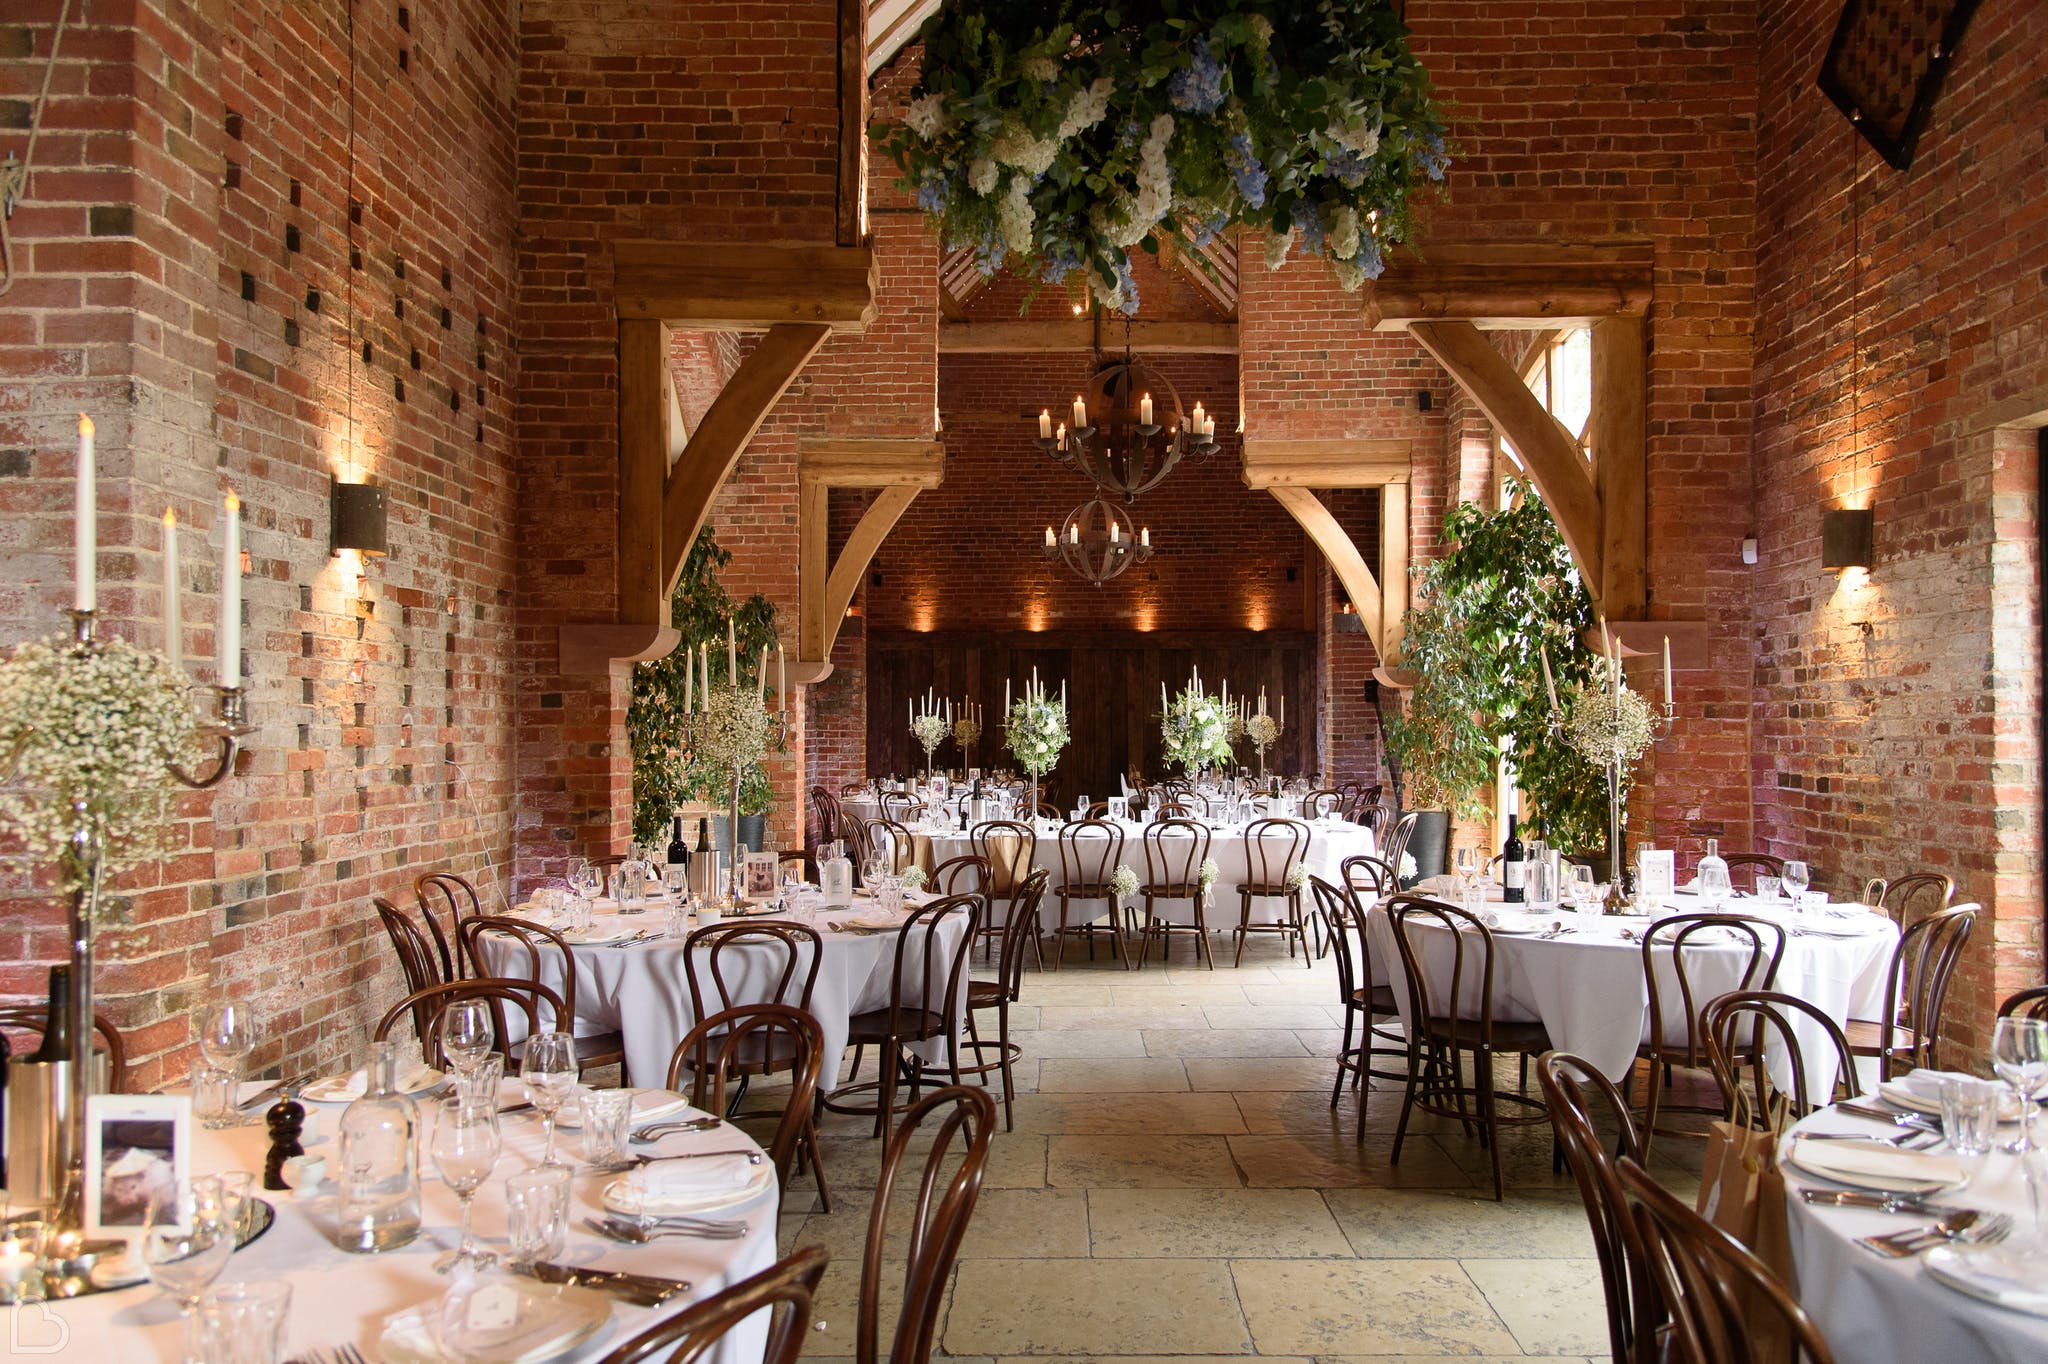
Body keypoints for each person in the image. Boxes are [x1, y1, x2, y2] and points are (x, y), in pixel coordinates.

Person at [100, 1142, 176, 1227]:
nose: (127, 1196)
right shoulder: (110, 1202)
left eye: (133, 1187)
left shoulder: (155, 1186)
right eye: (119, 1190)